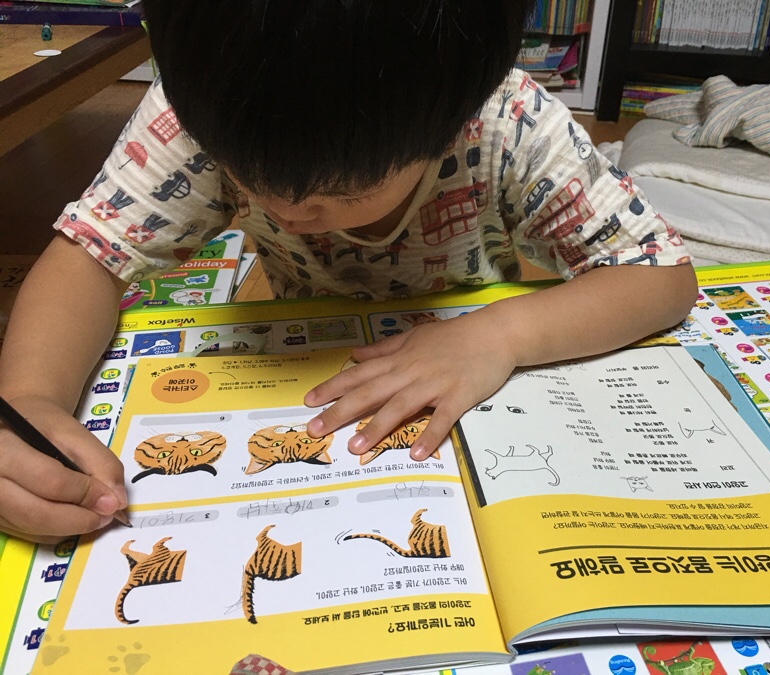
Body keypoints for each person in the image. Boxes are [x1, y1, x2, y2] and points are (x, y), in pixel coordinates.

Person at [0, 0, 697, 543]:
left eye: (342, 194)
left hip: (469, 382)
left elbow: (661, 276)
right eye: (247, 176)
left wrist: (501, 335)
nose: (285, 208)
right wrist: (31, 396)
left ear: (454, 119)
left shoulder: (506, 120)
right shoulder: (205, 105)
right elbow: (86, 257)